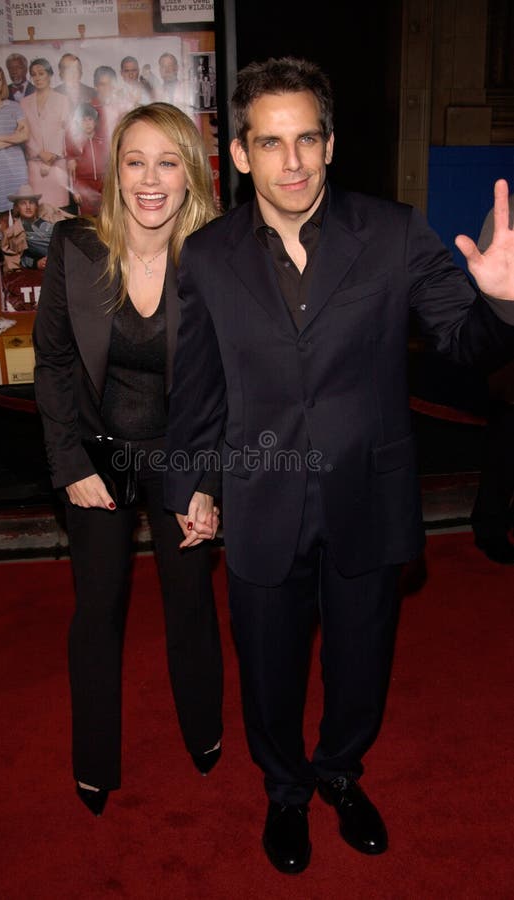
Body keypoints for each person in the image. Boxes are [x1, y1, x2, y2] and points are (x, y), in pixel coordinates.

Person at [164, 57, 514, 874]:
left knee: (361, 660)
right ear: (241, 154)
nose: (292, 163)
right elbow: (197, 390)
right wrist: (193, 483)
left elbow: (466, 343)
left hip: (368, 491)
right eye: (270, 143)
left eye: (307, 140)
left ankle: (340, 773)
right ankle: (284, 791)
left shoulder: (391, 233)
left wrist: (501, 301)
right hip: (257, 498)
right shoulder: (209, 257)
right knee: (269, 668)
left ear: (329, 144)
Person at [33, 102, 224, 818]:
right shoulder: (76, 246)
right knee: (99, 606)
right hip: (98, 451)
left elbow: (226, 382)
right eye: (134, 161)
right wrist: (70, 463)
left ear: (190, 174)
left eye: (166, 162)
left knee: (190, 600)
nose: (150, 179)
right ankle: (93, 761)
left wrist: (206, 481)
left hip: (182, 449)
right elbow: (52, 364)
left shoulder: (214, 258)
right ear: (115, 172)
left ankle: (203, 729)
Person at [471, 194, 514, 563]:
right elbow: (492, 295)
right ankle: (490, 526)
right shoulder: (507, 209)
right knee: (507, 445)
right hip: (510, 348)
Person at [0, 63, 29, 236]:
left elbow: (24, 135)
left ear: (3, 82)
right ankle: (6, 254)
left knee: (21, 212)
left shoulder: (14, 106)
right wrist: (12, 138)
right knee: (2, 214)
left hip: (16, 166)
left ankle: (21, 253)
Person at [21, 58, 71, 209]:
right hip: (35, 165)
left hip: (56, 164)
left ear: (49, 75)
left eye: (41, 73)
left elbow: (65, 131)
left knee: (59, 212)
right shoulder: (24, 103)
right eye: (34, 74)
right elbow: (24, 133)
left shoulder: (63, 100)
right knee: (37, 210)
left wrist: (51, 157)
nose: (37, 78)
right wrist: (39, 153)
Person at [0, 184, 72, 272]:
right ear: (17, 208)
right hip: (59, 260)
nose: (28, 207)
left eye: (31, 202)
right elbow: (17, 259)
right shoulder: (13, 233)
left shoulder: (47, 215)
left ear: (36, 205)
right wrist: (36, 263)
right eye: (23, 203)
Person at [66, 103, 108, 217]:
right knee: (87, 219)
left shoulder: (102, 141)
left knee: (105, 216)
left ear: (95, 121)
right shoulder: (76, 143)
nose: (87, 124)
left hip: (102, 183)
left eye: (90, 119)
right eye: (83, 121)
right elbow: (71, 171)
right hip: (84, 185)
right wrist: (75, 190)